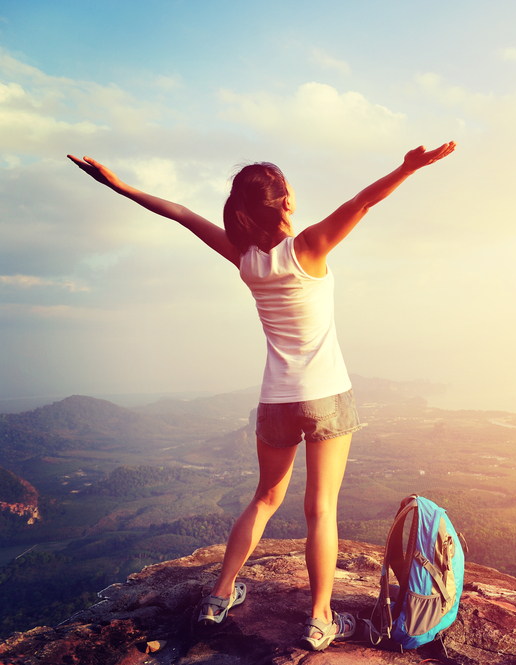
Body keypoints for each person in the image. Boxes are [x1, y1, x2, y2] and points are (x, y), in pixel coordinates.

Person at [68, 142, 456, 650]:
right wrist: (407, 168)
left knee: (266, 497)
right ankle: (320, 618)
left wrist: (117, 186)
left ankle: (220, 593)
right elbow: (363, 203)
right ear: (287, 202)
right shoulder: (311, 246)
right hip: (326, 396)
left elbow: (181, 214)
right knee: (321, 508)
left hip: (276, 399)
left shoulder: (246, 259)